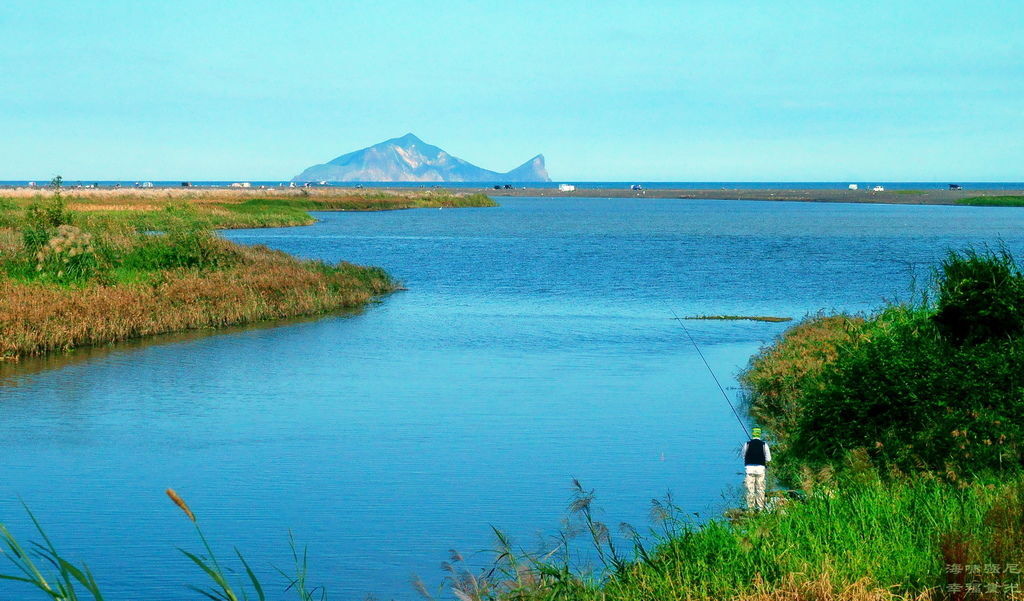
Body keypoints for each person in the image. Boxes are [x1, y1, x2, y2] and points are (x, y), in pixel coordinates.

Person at [742, 427, 771, 510]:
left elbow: (743, 455)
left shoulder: (747, 444)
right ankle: (760, 508)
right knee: (760, 489)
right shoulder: (764, 444)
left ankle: (750, 509)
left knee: (750, 490)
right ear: (760, 434)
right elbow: (768, 459)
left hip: (749, 469)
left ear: (753, 434)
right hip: (761, 470)